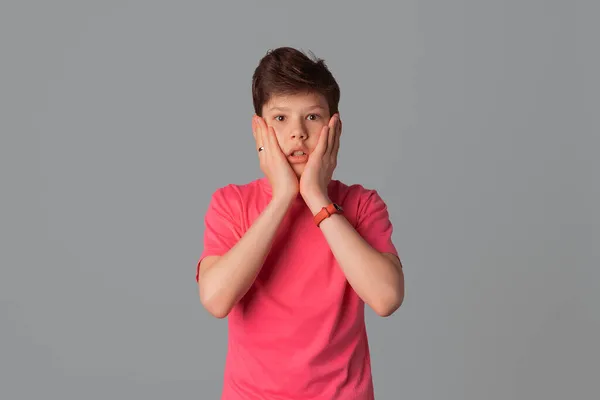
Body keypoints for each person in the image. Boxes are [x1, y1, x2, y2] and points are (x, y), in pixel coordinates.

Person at [195, 46, 404, 400]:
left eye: (312, 117)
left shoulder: (361, 204)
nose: (298, 134)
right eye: (280, 118)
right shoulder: (231, 203)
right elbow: (216, 300)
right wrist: (281, 199)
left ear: (334, 127)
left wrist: (317, 198)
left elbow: (386, 298)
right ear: (258, 129)